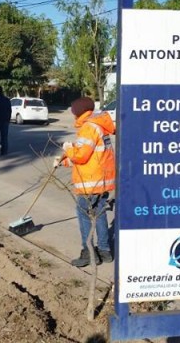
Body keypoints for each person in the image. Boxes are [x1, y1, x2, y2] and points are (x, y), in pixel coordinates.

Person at [55, 97, 116, 267]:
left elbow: (80, 156)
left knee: (84, 216)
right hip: (101, 181)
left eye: (74, 112)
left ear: (78, 112)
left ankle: (88, 253)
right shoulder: (99, 126)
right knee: (100, 215)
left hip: (90, 183)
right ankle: (105, 252)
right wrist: (63, 161)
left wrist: (68, 148)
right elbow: (90, 157)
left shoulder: (88, 128)